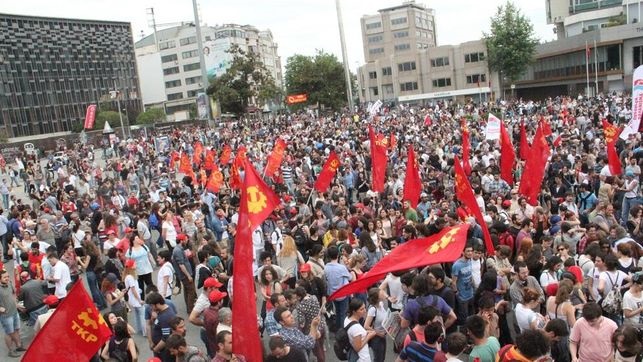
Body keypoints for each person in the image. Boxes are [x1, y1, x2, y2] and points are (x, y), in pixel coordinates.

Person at [324, 245, 352, 331]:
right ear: (337, 255)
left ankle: (338, 329)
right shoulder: (341, 268)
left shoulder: (326, 268)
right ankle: (342, 331)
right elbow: (350, 277)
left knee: (337, 311)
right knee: (343, 313)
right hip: (342, 293)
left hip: (333, 294)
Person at [0, 269, 26, 357]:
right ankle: (11, 351)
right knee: (9, 333)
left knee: (16, 329)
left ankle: (18, 346)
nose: (7, 278)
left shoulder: (9, 283)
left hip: (14, 312)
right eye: (5, 277)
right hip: (6, 315)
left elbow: (13, 295)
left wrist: (17, 305)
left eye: (8, 276)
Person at [146, 291, 177, 361]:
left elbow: (166, 338)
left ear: (157, 304)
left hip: (164, 352)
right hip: (160, 350)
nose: (151, 308)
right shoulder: (161, 312)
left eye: (151, 305)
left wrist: (156, 349)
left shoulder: (165, 316)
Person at [172, 233, 196, 313]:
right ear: (181, 241)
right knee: (191, 291)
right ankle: (191, 309)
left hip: (184, 275)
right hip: (185, 275)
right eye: (185, 239)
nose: (186, 241)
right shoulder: (178, 250)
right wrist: (188, 275)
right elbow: (181, 265)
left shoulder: (179, 249)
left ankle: (189, 308)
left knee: (187, 291)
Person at [451, 244, 475, 325]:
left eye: (471, 251)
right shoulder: (457, 265)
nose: (470, 253)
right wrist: (456, 293)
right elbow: (453, 282)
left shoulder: (470, 261)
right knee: (464, 318)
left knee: (472, 315)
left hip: (471, 293)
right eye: (468, 251)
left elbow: (470, 275)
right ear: (462, 252)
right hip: (462, 296)